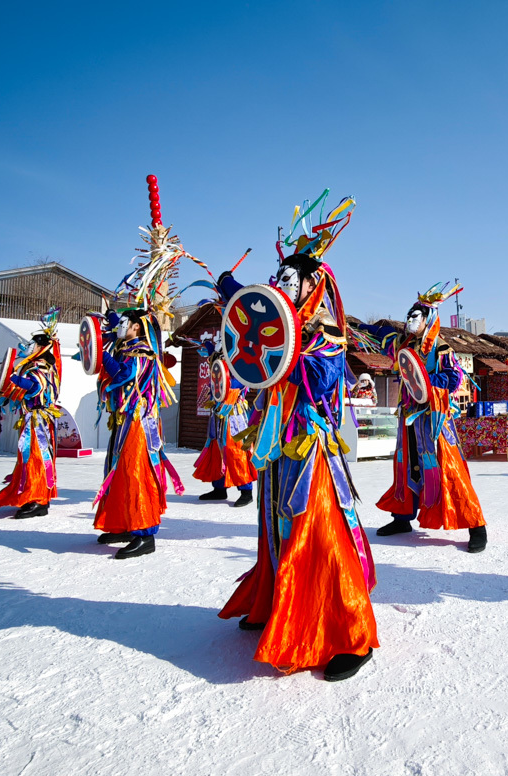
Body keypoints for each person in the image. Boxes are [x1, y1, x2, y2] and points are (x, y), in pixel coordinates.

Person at [216, 191, 378, 682]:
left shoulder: (325, 336)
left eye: (290, 279)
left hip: (309, 445)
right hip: (275, 441)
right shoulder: (285, 327)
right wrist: (233, 296)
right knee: (276, 527)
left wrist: (286, 343)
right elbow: (255, 340)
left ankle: (352, 631)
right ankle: (278, 602)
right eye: (276, 278)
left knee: (318, 531)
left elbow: (317, 381)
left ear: (313, 285)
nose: (279, 284)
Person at [367, 281, 488, 553]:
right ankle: (402, 519)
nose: (410, 320)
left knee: (449, 468)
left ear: (428, 319)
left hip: (434, 418)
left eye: (415, 316)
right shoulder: (402, 344)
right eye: (408, 316)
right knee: (405, 466)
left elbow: (453, 377)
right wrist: (362, 328)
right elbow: (381, 337)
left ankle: (475, 524)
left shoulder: (441, 348)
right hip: (409, 416)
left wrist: (424, 380)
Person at [91, 307, 185, 557]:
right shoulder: (125, 347)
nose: (119, 325)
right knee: (119, 470)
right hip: (125, 418)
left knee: (136, 472)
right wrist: (109, 317)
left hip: (140, 421)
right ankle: (123, 524)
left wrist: (101, 355)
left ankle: (145, 533)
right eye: (119, 322)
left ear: (136, 327)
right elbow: (113, 330)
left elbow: (124, 375)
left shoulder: (142, 352)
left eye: (125, 322)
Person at [0, 322, 61, 518]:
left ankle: (38, 499)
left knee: (37, 458)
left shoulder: (42, 368)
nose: (30, 347)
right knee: (30, 457)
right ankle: (34, 496)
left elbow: (34, 387)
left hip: (39, 421)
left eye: (33, 344)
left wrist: (12, 379)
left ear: (41, 347)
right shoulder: (38, 366)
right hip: (33, 419)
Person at [191, 337, 255, 507]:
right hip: (218, 411)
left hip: (234, 412)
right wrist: (211, 350)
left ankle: (246, 490)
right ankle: (219, 488)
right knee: (215, 448)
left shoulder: (241, 357)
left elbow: (239, 381)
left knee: (236, 450)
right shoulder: (221, 354)